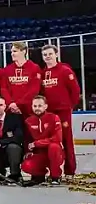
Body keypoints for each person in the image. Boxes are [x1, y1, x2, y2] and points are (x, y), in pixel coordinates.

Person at [40, 44, 81, 177]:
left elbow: (75, 91)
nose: (47, 57)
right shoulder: (42, 73)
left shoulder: (65, 70)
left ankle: (70, 171)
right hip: (48, 113)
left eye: (50, 54)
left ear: (56, 54)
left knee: (66, 140)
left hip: (63, 111)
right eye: (45, 55)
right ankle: (52, 171)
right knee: (49, 141)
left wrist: (69, 106)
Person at [21, 96, 64, 186]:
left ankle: (55, 176)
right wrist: (28, 151)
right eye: (35, 106)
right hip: (39, 154)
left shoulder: (54, 118)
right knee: (26, 165)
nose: (37, 108)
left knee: (54, 147)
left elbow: (57, 138)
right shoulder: (28, 121)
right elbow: (27, 140)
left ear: (46, 106)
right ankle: (39, 176)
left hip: (54, 153)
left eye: (40, 106)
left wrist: (37, 143)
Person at [1, 41, 41, 119]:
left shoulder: (34, 68)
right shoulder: (7, 69)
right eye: (11, 52)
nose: (12, 54)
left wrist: (18, 104)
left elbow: (34, 90)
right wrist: (11, 104)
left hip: (29, 109)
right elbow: (3, 89)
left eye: (15, 51)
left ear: (24, 51)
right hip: (11, 109)